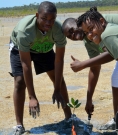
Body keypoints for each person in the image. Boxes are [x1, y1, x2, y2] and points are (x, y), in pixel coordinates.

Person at [62, 13, 118, 130]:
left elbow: (115, 52)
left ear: (77, 22)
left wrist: (83, 64)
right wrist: (89, 99)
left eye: (72, 30)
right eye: (70, 36)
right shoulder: (89, 38)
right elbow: (95, 68)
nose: (74, 36)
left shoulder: (98, 26)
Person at [9, 1, 71, 134]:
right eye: (44, 19)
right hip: (20, 48)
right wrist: (32, 96)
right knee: (20, 82)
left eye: (52, 19)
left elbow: (59, 60)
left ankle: (69, 118)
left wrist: (57, 89)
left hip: (44, 47)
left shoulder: (58, 30)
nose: (48, 23)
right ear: (37, 15)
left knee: (59, 80)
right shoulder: (24, 31)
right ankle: (19, 125)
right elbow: (26, 63)